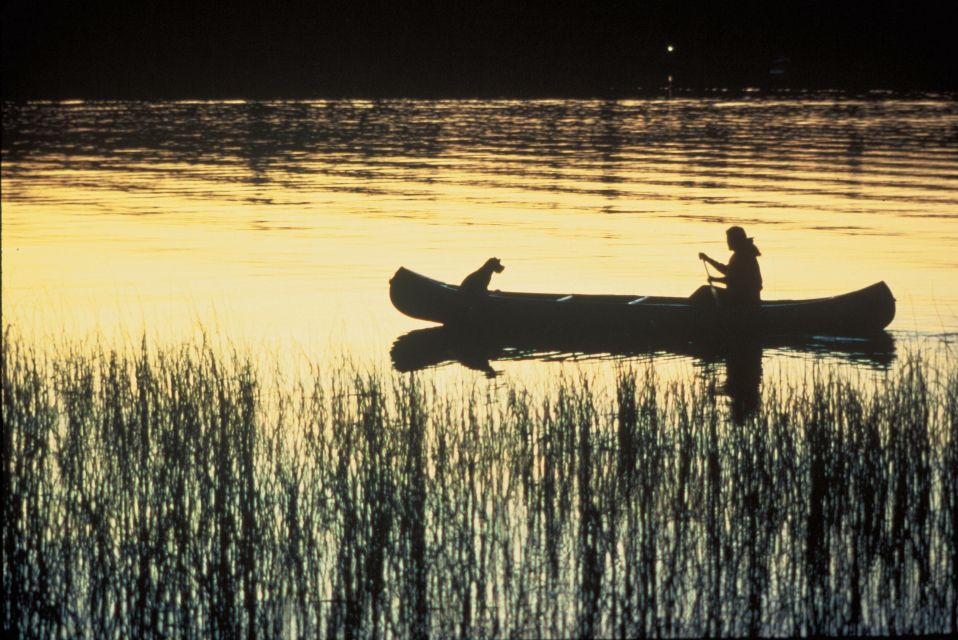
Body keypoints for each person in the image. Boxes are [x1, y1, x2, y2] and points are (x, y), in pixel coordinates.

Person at [698, 226, 762, 304]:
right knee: (705, 291)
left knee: (705, 291)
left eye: (729, 239)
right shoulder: (739, 254)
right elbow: (727, 271)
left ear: (735, 240)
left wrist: (714, 279)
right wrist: (708, 259)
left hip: (744, 299)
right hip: (738, 296)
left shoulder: (744, 256)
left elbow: (732, 280)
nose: (727, 242)